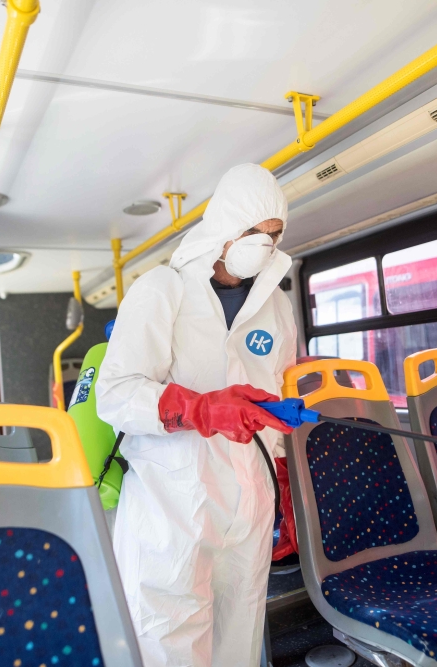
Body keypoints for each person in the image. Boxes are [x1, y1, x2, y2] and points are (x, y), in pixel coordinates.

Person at [96, 163, 297, 667]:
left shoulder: (276, 306)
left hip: (248, 500)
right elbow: (116, 394)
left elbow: (277, 391)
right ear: (226, 227)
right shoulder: (163, 289)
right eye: (254, 232)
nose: (265, 245)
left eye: (275, 235)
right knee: (169, 639)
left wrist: (285, 477)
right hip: (172, 501)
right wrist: (200, 407)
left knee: (240, 632)